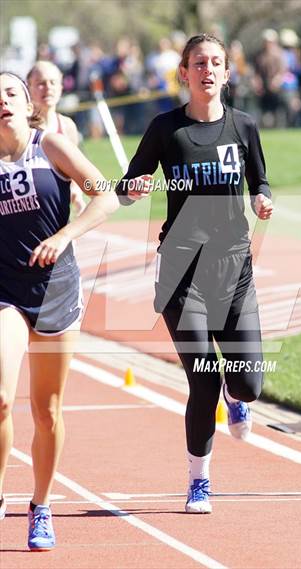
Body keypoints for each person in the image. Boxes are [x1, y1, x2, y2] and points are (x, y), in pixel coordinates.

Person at [116, 34, 273, 514]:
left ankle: (237, 395)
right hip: (182, 271)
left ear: (227, 73)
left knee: (248, 383)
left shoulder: (243, 127)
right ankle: (199, 481)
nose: (207, 70)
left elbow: (259, 178)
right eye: (198, 63)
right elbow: (125, 186)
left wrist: (261, 198)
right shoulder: (166, 129)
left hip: (234, 268)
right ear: (183, 72)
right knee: (203, 380)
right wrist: (133, 188)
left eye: (216, 63)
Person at [0, 72, 119, 550]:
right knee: (2, 400)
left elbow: (105, 196)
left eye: (9, 92)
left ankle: (41, 505)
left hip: (53, 290)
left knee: (47, 411)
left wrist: (65, 235)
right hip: (4, 290)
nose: (1, 100)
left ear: (25, 103)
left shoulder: (48, 145)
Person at [26, 61, 86, 215]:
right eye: (40, 83)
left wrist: (77, 196)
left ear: (61, 86)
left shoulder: (67, 126)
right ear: (28, 87)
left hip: (57, 214)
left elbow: (75, 172)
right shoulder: (21, 127)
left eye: (53, 82)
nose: (48, 88)